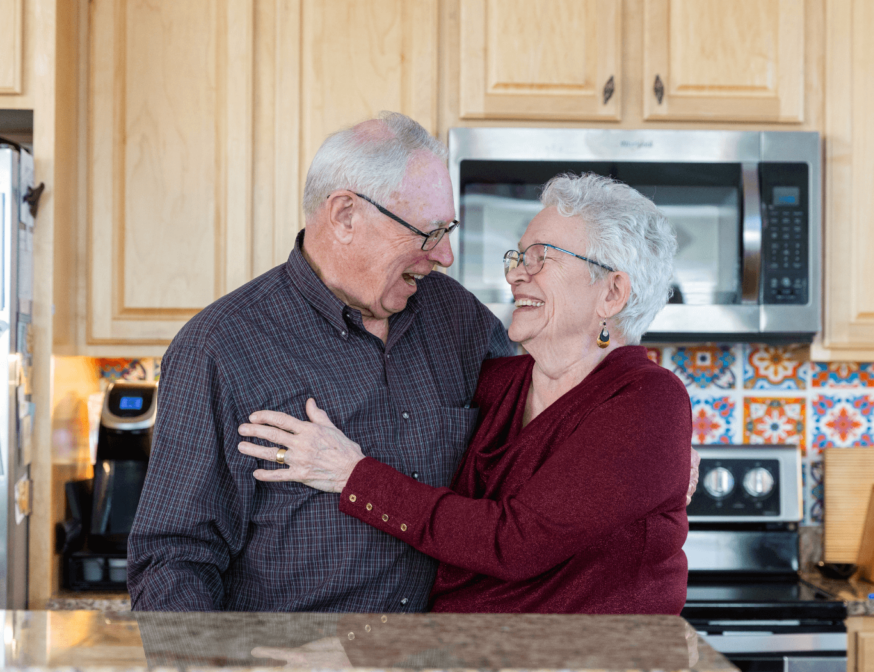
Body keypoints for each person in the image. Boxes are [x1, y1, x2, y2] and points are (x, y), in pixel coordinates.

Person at [238, 173, 695, 614]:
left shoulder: (649, 400)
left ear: (612, 293)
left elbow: (514, 543)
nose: (516, 275)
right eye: (517, 258)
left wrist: (350, 474)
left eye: (540, 258)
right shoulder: (499, 380)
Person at [127, 112, 516, 612]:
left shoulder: (461, 322)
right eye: (428, 232)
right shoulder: (220, 349)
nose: (445, 254)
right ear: (345, 215)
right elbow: (173, 561)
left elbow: (522, 498)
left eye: (449, 228)